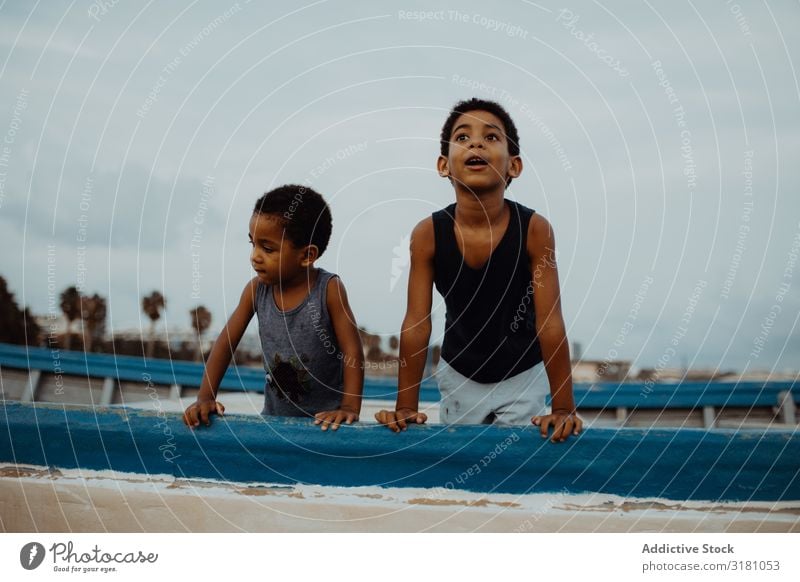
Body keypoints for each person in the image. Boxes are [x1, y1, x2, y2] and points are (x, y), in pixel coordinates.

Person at [375, 98, 582, 442]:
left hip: (522, 372)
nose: (475, 143)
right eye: (462, 137)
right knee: (459, 461)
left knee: (516, 461)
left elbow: (550, 321)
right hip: (459, 372)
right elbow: (416, 322)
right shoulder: (427, 234)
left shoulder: (534, 230)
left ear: (513, 166)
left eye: (490, 137)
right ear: (443, 165)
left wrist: (563, 408)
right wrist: (405, 405)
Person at [183, 185, 364, 431]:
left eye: (267, 248)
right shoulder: (256, 291)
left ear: (307, 255)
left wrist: (350, 407)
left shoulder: (328, 290)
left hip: (327, 425)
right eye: (252, 243)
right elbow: (226, 342)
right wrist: (205, 397)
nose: (254, 256)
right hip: (274, 422)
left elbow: (352, 350)